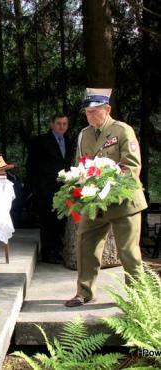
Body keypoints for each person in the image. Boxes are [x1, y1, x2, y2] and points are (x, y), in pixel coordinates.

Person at [65, 88, 147, 307]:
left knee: (128, 252)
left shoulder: (122, 131)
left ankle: (139, 298)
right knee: (85, 243)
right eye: (87, 112)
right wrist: (80, 187)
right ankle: (84, 292)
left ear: (107, 109)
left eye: (94, 111)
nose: (90, 115)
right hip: (95, 203)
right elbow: (80, 166)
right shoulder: (84, 134)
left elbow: (131, 167)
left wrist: (107, 185)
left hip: (123, 202)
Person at [26, 114, 74, 263]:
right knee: (47, 221)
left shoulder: (69, 141)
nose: (62, 127)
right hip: (45, 188)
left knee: (61, 221)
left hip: (64, 187)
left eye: (65, 124)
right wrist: (35, 187)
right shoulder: (40, 141)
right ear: (51, 124)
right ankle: (47, 254)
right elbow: (31, 165)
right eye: (58, 123)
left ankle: (58, 251)